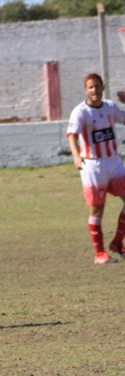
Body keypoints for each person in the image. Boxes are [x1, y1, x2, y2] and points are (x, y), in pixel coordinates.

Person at [66, 73, 125, 264]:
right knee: (97, 209)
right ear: (86, 90)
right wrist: (76, 156)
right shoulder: (80, 112)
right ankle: (99, 254)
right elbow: (72, 135)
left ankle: (117, 243)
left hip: (114, 161)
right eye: (90, 87)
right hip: (92, 165)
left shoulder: (110, 107)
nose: (94, 90)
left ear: (103, 87)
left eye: (97, 86)